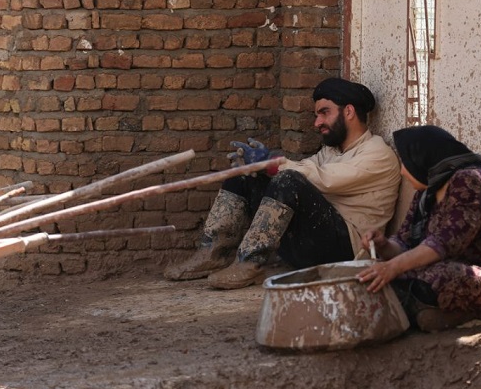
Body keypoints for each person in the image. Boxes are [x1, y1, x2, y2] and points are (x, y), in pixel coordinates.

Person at [164, 77, 402, 289]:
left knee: (288, 179)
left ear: (348, 112)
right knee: (246, 173)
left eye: (324, 113)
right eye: (317, 115)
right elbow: (303, 168)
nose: (317, 123)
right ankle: (213, 252)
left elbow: (320, 179)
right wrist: (260, 166)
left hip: (345, 252)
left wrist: (272, 163)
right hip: (311, 244)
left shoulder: (377, 153)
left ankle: (250, 263)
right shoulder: (331, 151)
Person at [357, 125, 481, 332]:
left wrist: (392, 267)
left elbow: (444, 244)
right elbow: (404, 242)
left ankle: (450, 313)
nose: (403, 171)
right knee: (378, 276)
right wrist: (383, 245)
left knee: (441, 276)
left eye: (404, 162)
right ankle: (427, 312)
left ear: (423, 157)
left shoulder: (471, 180)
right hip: (440, 268)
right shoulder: (427, 191)